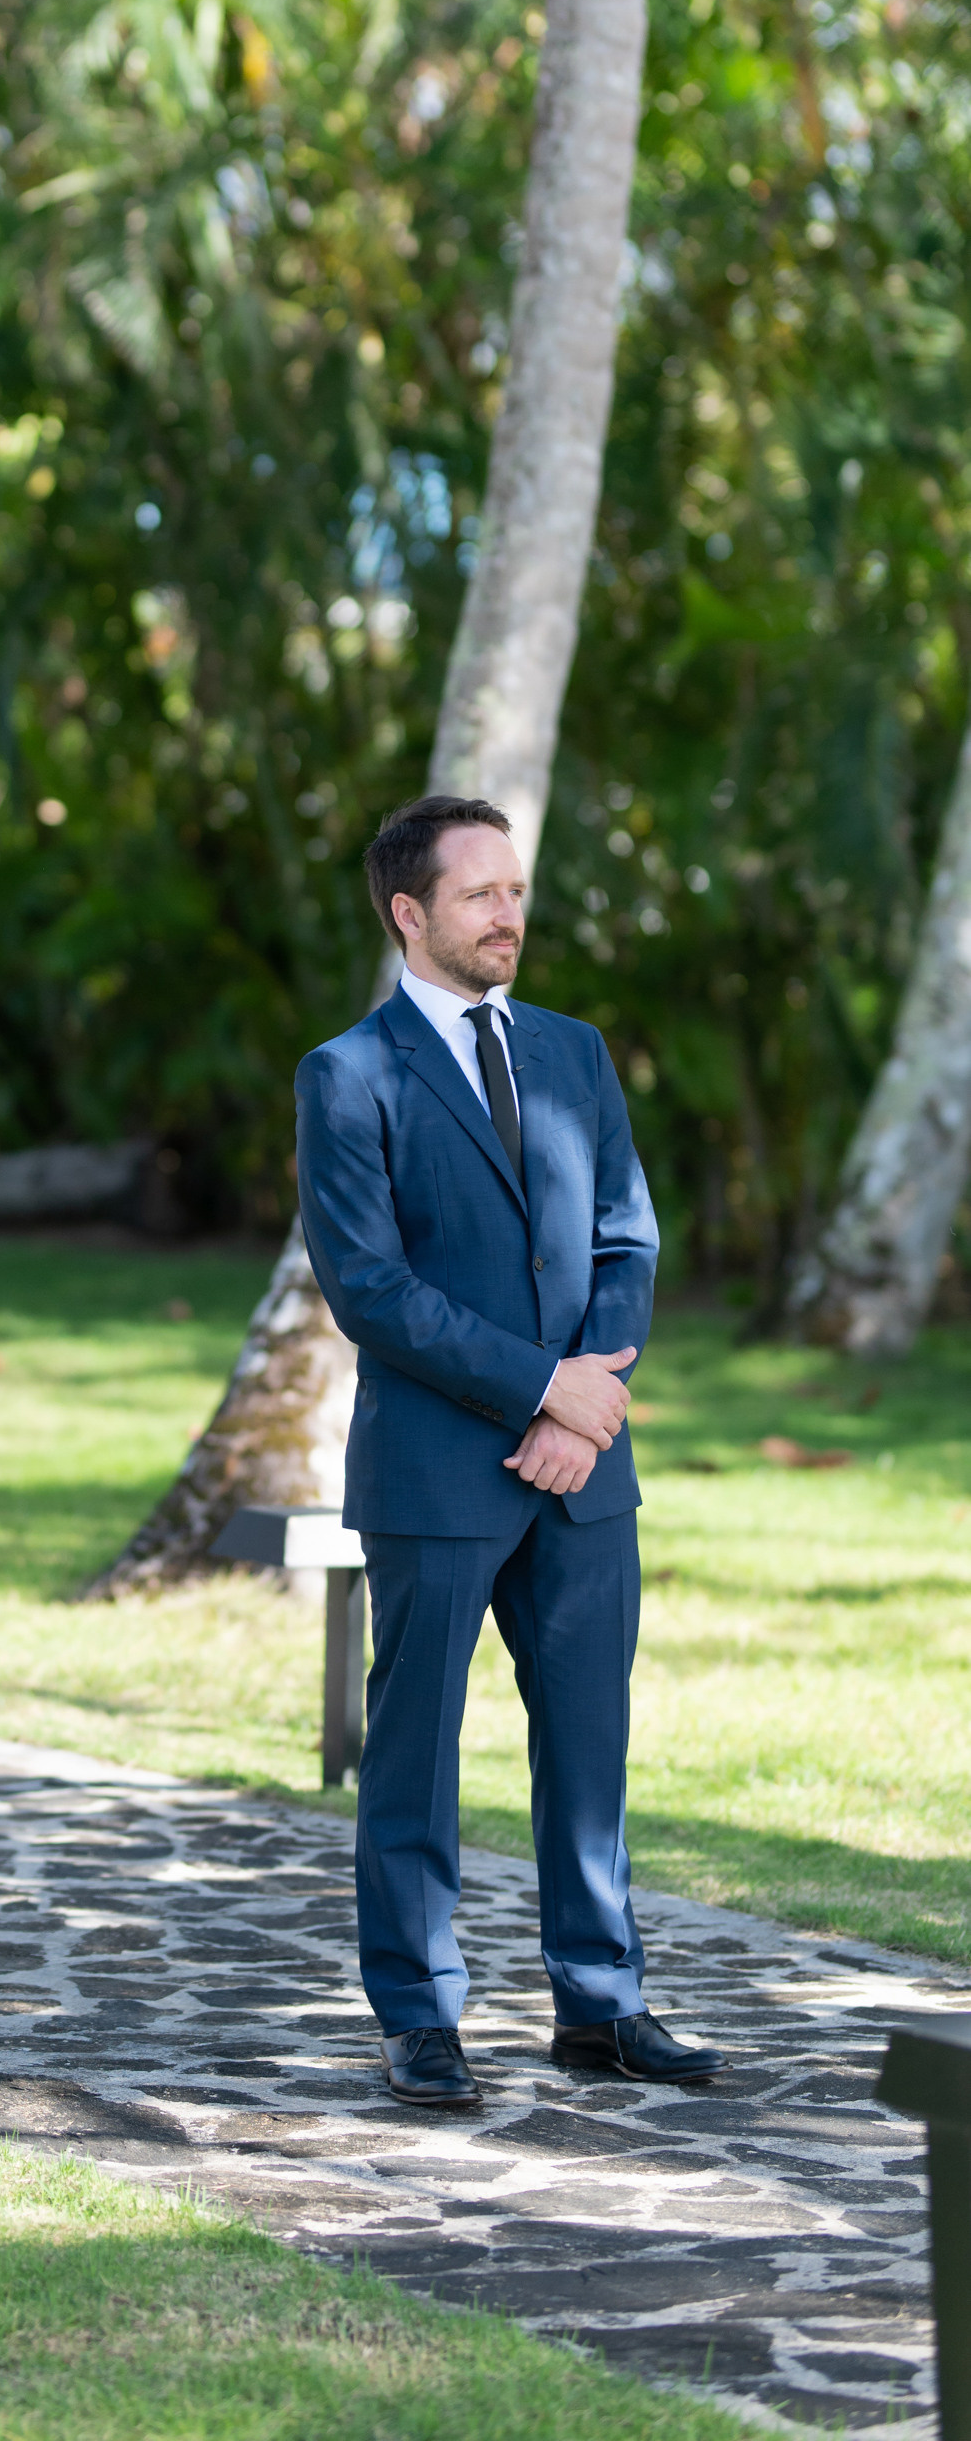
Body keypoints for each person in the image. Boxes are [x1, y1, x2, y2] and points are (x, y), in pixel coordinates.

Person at [294, 794, 723, 2107]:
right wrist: (544, 1390)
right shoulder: (348, 1074)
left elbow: (626, 1236)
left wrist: (584, 1400)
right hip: (437, 1474)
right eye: (480, 895)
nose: (511, 915)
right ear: (409, 914)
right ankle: (418, 2015)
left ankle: (603, 2005)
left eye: (517, 890)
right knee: (414, 1756)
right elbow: (369, 1288)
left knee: (591, 1746)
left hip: (586, 1480)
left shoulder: (576, 1052)